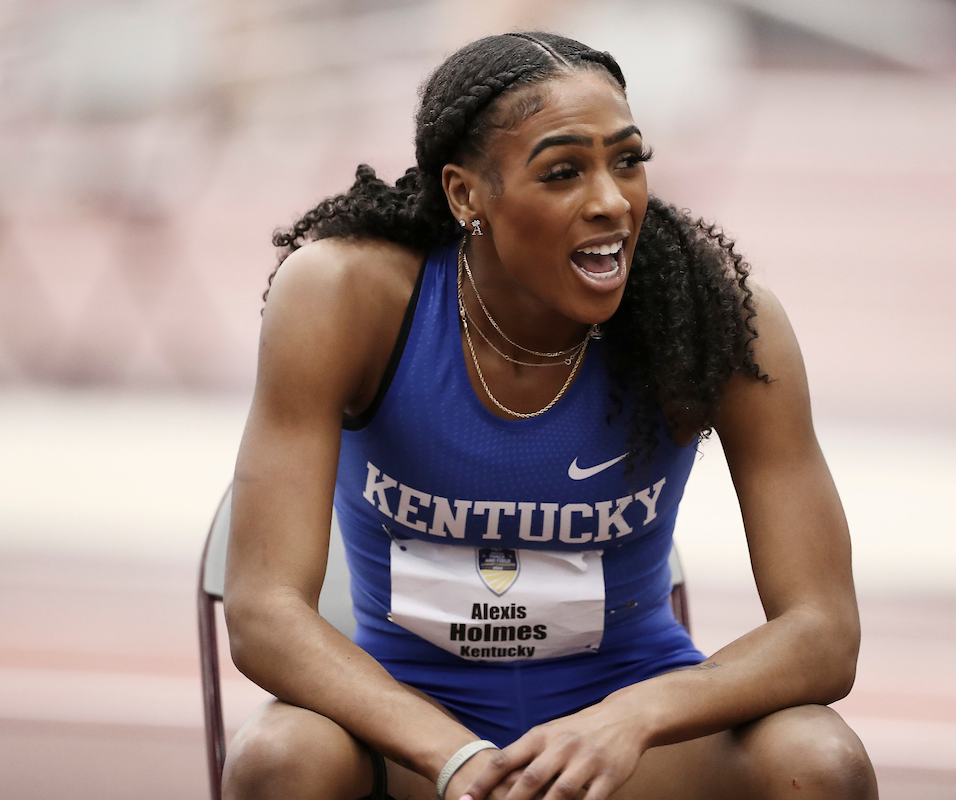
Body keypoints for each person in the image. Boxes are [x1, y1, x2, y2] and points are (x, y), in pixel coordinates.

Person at [223, 32, 876, 800]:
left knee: (819, 762)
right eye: (564, 172)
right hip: (410, 733)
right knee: (279, 756)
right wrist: (455, 755)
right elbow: (262, 612)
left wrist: (631, 717)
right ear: (468, 194)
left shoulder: (715, 319)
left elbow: (824, 631)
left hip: (627, 745)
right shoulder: (345, 297)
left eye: (627, 160)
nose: (609, 200)